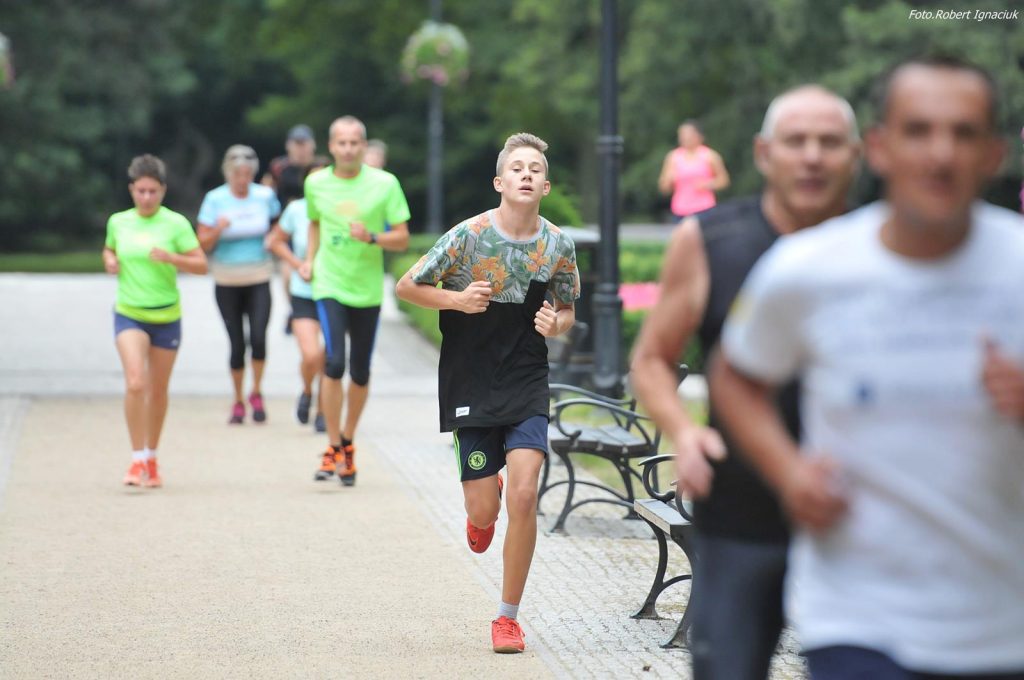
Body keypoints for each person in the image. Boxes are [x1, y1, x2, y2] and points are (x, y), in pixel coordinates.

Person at [710, 57, 1024, 680]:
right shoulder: (809, 268)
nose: (941, 154)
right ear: (879, 148)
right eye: (919, 131)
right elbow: (736, 374)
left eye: (964, 133)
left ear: (995, 153)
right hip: (857, 618)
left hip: (1001, 622)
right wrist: (789, 472)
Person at [631, 86, 861, 680]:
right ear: (764, 153)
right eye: (796, 141)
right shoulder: (708, 241)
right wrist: (684, 432)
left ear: (857, 155)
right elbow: (651, 359)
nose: (812, 156)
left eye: (829, 142)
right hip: (740, 506)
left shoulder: (883, 247)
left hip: (857, 513)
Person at [396, 133, 580, 654]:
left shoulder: (557, 245)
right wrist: (456, 300)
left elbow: (568, 309)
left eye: (535, 168)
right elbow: (407, 287)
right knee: (483, 511)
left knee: (525, 493)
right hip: (470, 377)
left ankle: (507, 617)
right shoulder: (468, 236)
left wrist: (557, 324)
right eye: (517, 168)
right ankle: (484, 505)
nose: (527, 175)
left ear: (546, 185)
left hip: (526, 375)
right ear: (500, 182)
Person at [301, 116, 411, 485]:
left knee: (360, 371)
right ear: (331, 146)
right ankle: (332, 445)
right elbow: (314, 223)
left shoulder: (385, 184)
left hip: (366, 289)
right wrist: (309, 259)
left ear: (364, 146)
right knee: (334, 364)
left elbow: (402, 238)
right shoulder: (315, 183)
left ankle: (347, 441)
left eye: (354, 143)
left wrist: (372, 238)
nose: (348, 149)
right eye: (341, 143)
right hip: (329, 282)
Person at [103, 154, 208, 487]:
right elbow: (109, 248)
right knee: (136, 383)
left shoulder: (175, 224)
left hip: (166, 315)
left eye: (153, 191)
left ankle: (152, 456)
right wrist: (110, 259)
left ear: (163, 190)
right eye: (141, 191)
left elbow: (201, 265)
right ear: (131, 190)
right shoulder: (118, 222)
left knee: (158, 390)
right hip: (130, 312)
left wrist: (172, 258)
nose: (147, 198)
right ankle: (136, 459)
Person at [197, 145, 281, 424]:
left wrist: (273, 240)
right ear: (228, 174)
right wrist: (218, 229)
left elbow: (278, 227)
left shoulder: (265, 196)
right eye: (237, 175)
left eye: (247, 174)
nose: (242, 180)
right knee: (236, 343)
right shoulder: (215, 199)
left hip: (258, 274)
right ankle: (237, 398)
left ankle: (256, 391)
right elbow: (201, 243)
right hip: (227, 277)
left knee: (258, 337)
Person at [266, 159, 329, 432]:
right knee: (311, 354)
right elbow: (274, 241)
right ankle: (307, 390)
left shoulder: (343, 209)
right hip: (304, 291)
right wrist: (297, 264)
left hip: (336, 291)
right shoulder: (296, 209)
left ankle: (324, 410)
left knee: (331, 356)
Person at [658, 120, 731, 221]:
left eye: (688, 134)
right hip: (680, 209)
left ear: (699, 136)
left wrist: (708, 184)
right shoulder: (673, 157)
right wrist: (669, 180)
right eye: (682, 134)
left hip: (705, 208)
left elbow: (724, 180)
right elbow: (664, 188)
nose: (685, 137)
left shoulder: (710, 155)